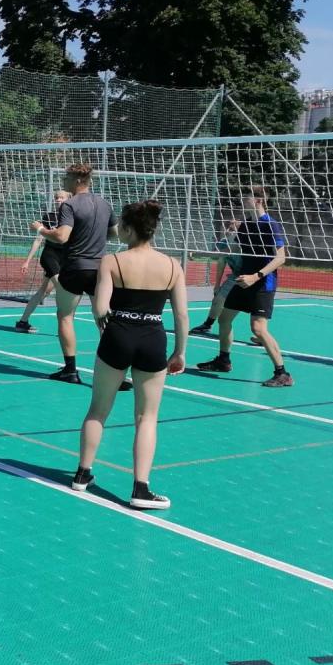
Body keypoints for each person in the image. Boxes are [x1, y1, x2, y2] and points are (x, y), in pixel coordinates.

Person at [71, 201, 188, 509]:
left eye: (120, 226)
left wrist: (110, 332)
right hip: (153, 339)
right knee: (146, 417)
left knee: (98, 410)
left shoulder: (112, 261)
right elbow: (182, 316)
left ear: (128, 229)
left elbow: (100, 308)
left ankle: (82, 474)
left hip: (118, 335)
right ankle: (141, 488)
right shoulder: (172, 266)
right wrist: (180, 352)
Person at [29, 163, 128, 387]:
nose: (63, 181)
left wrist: (40, 229)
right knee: (103, 318)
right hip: (99, 269)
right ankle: (116, 375)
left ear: (77, 180)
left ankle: (70, 370)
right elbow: (114, 233)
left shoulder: (70, 204)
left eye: (66, 178)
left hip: (74, 267)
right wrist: (95, 238)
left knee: (65, 316)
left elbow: (62, 236)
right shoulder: (104, 203)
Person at [196, 187, 292, 387]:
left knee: (258, 329)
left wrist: (256, 276)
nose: (242, 200)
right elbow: (233, 249)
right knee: (224, 319)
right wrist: (206, 252)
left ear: (258, 200)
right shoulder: (245, 225)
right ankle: (223, 361)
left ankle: (282, 374)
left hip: (262, 282)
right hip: (243, 280)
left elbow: (281, 258)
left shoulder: (271, 224)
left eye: (246, 197)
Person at [15, 190, 71, 333]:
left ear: (69, 200)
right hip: (50, 256)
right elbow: (39, 239)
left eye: (62, 198)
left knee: (44, 291)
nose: (58, 200)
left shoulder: (73, 217)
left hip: (64, 258)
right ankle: (64, 327)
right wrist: (27, 261)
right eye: (56, 198)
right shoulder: (49, 217)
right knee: (63, 289)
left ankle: (22, 322)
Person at [190, 226, 242, 336]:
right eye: (228, 228)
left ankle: (261, 334)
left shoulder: (242, 243)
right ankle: (207, 325)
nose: (228, 231)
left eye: (232, 229)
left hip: (251, 276)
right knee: (218, 299)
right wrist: (217, 285)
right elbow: (221, 261)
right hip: (235, 276)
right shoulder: (223, 243)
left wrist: (196, 253)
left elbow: (219, 254)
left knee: (255, 313)